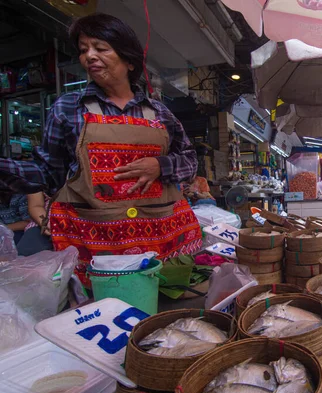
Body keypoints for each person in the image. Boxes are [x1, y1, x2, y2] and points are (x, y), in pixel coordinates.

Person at [0, 13, 202, 285]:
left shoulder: (159, 113)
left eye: (101, 48)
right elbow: (47, 172)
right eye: (84, 50)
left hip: (158, 238)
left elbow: (190, 159)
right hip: (92, 240)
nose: (89, 57)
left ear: (129, 60)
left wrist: (161, 166)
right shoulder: (69, 107)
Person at [15, 192, 54, 256]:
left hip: (74, 222)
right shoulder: (38, 183)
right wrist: (46, 224)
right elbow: (36, 206)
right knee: (25, 254)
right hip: (45, 220)